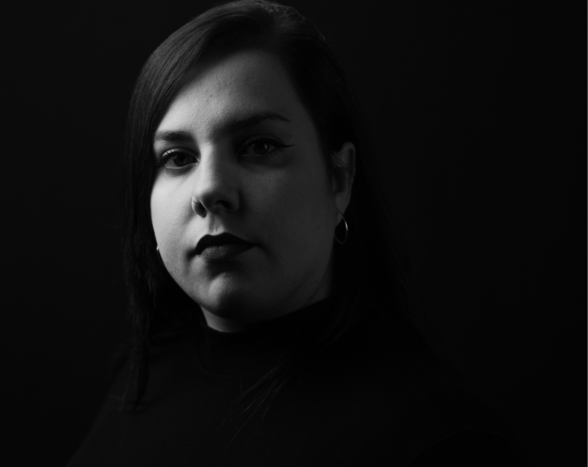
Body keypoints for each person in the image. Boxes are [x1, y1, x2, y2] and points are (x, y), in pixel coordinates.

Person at [68, 1, 530, 465]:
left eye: (259, 146)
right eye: (178, 158)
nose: (209, 190)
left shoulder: (438, 439)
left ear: (339, 178)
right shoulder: (145, 372)